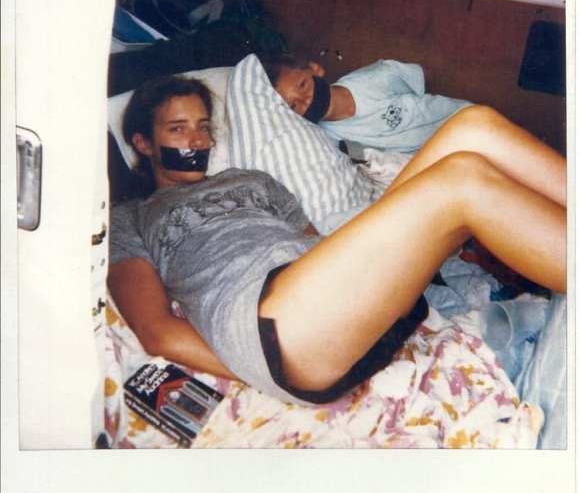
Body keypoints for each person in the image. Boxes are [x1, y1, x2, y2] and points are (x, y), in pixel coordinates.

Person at [108, 74, 566, 406]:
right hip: (273, 329)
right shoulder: (131, 218)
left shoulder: (250, 179)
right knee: (462, 178)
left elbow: (321, 245)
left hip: (334, 302)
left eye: (204, 126)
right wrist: (258, 374)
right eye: (178, 128)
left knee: (473, 126)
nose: (197, 140)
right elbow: (157, 331)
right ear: (143, 143)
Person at [262, 53, 472, 154]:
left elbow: (424, 76)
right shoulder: (331, 140)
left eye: (302, 85)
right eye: (293, 106)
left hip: (461, 123)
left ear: (316, 69)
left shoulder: (376, 78)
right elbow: (369, 160)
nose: (306, 101)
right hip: (433, 159)